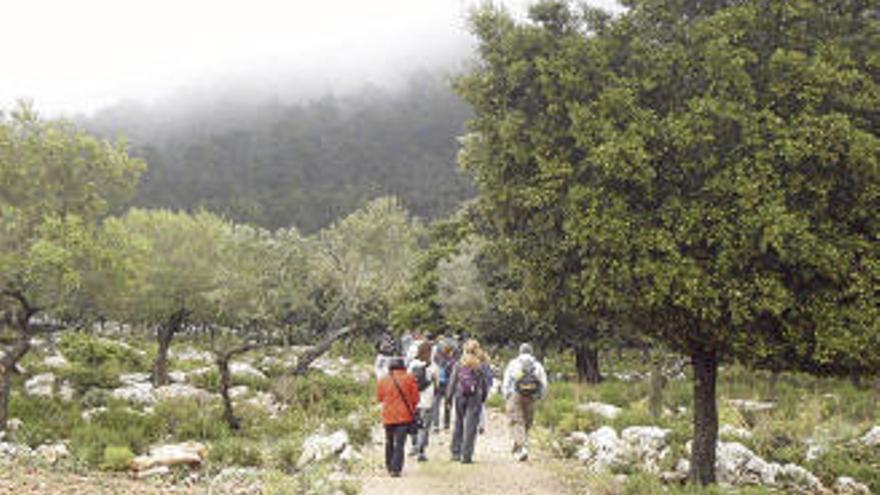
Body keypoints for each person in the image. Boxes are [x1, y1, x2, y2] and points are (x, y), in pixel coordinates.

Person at [502, 343, 548, 461]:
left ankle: (522, 447)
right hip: (531, 396)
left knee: (516, 422)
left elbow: (506, 381)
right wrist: (540, 397)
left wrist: (506, 395)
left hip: (515, 395)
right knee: (527, 422)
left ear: (520, 352)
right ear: (531, 352)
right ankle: (519, 447)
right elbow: (543, 383)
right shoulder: (537, 365)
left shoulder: (513, 363)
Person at [446, 339, 488, 464]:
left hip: (460, 396)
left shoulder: (459, 364)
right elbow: (484, 385)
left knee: (459, 423)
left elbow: (452, 382)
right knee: (470, 426)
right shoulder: (479, 365)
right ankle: (466, 455)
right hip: (474, 398)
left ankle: (455, 452)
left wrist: (448, 398)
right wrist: (483, 398)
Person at [376, 357, 420, 477]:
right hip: (404, 417)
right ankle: (396, 469)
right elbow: (416, 398)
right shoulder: (409, 378)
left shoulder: (383, 379)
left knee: (389, 441)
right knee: (400, 443)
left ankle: (389, 465)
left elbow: (379, 398)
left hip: (388, 416)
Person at [407, 340, 437, 461]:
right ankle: (421, 450)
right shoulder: (433, 365)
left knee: (413, 424)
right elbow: (437, 381)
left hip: (414, 399)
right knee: (425, 426)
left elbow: (408, 380)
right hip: (427, 399)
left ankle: (414, 445)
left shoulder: (413, 364)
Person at [431, 336, 455, 432]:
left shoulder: (437, 359)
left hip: (438, 383)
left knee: (436, 404)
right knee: (448, 404)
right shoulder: (452, 361)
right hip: (449, 384)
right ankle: (446, 424)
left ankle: (435, 425)